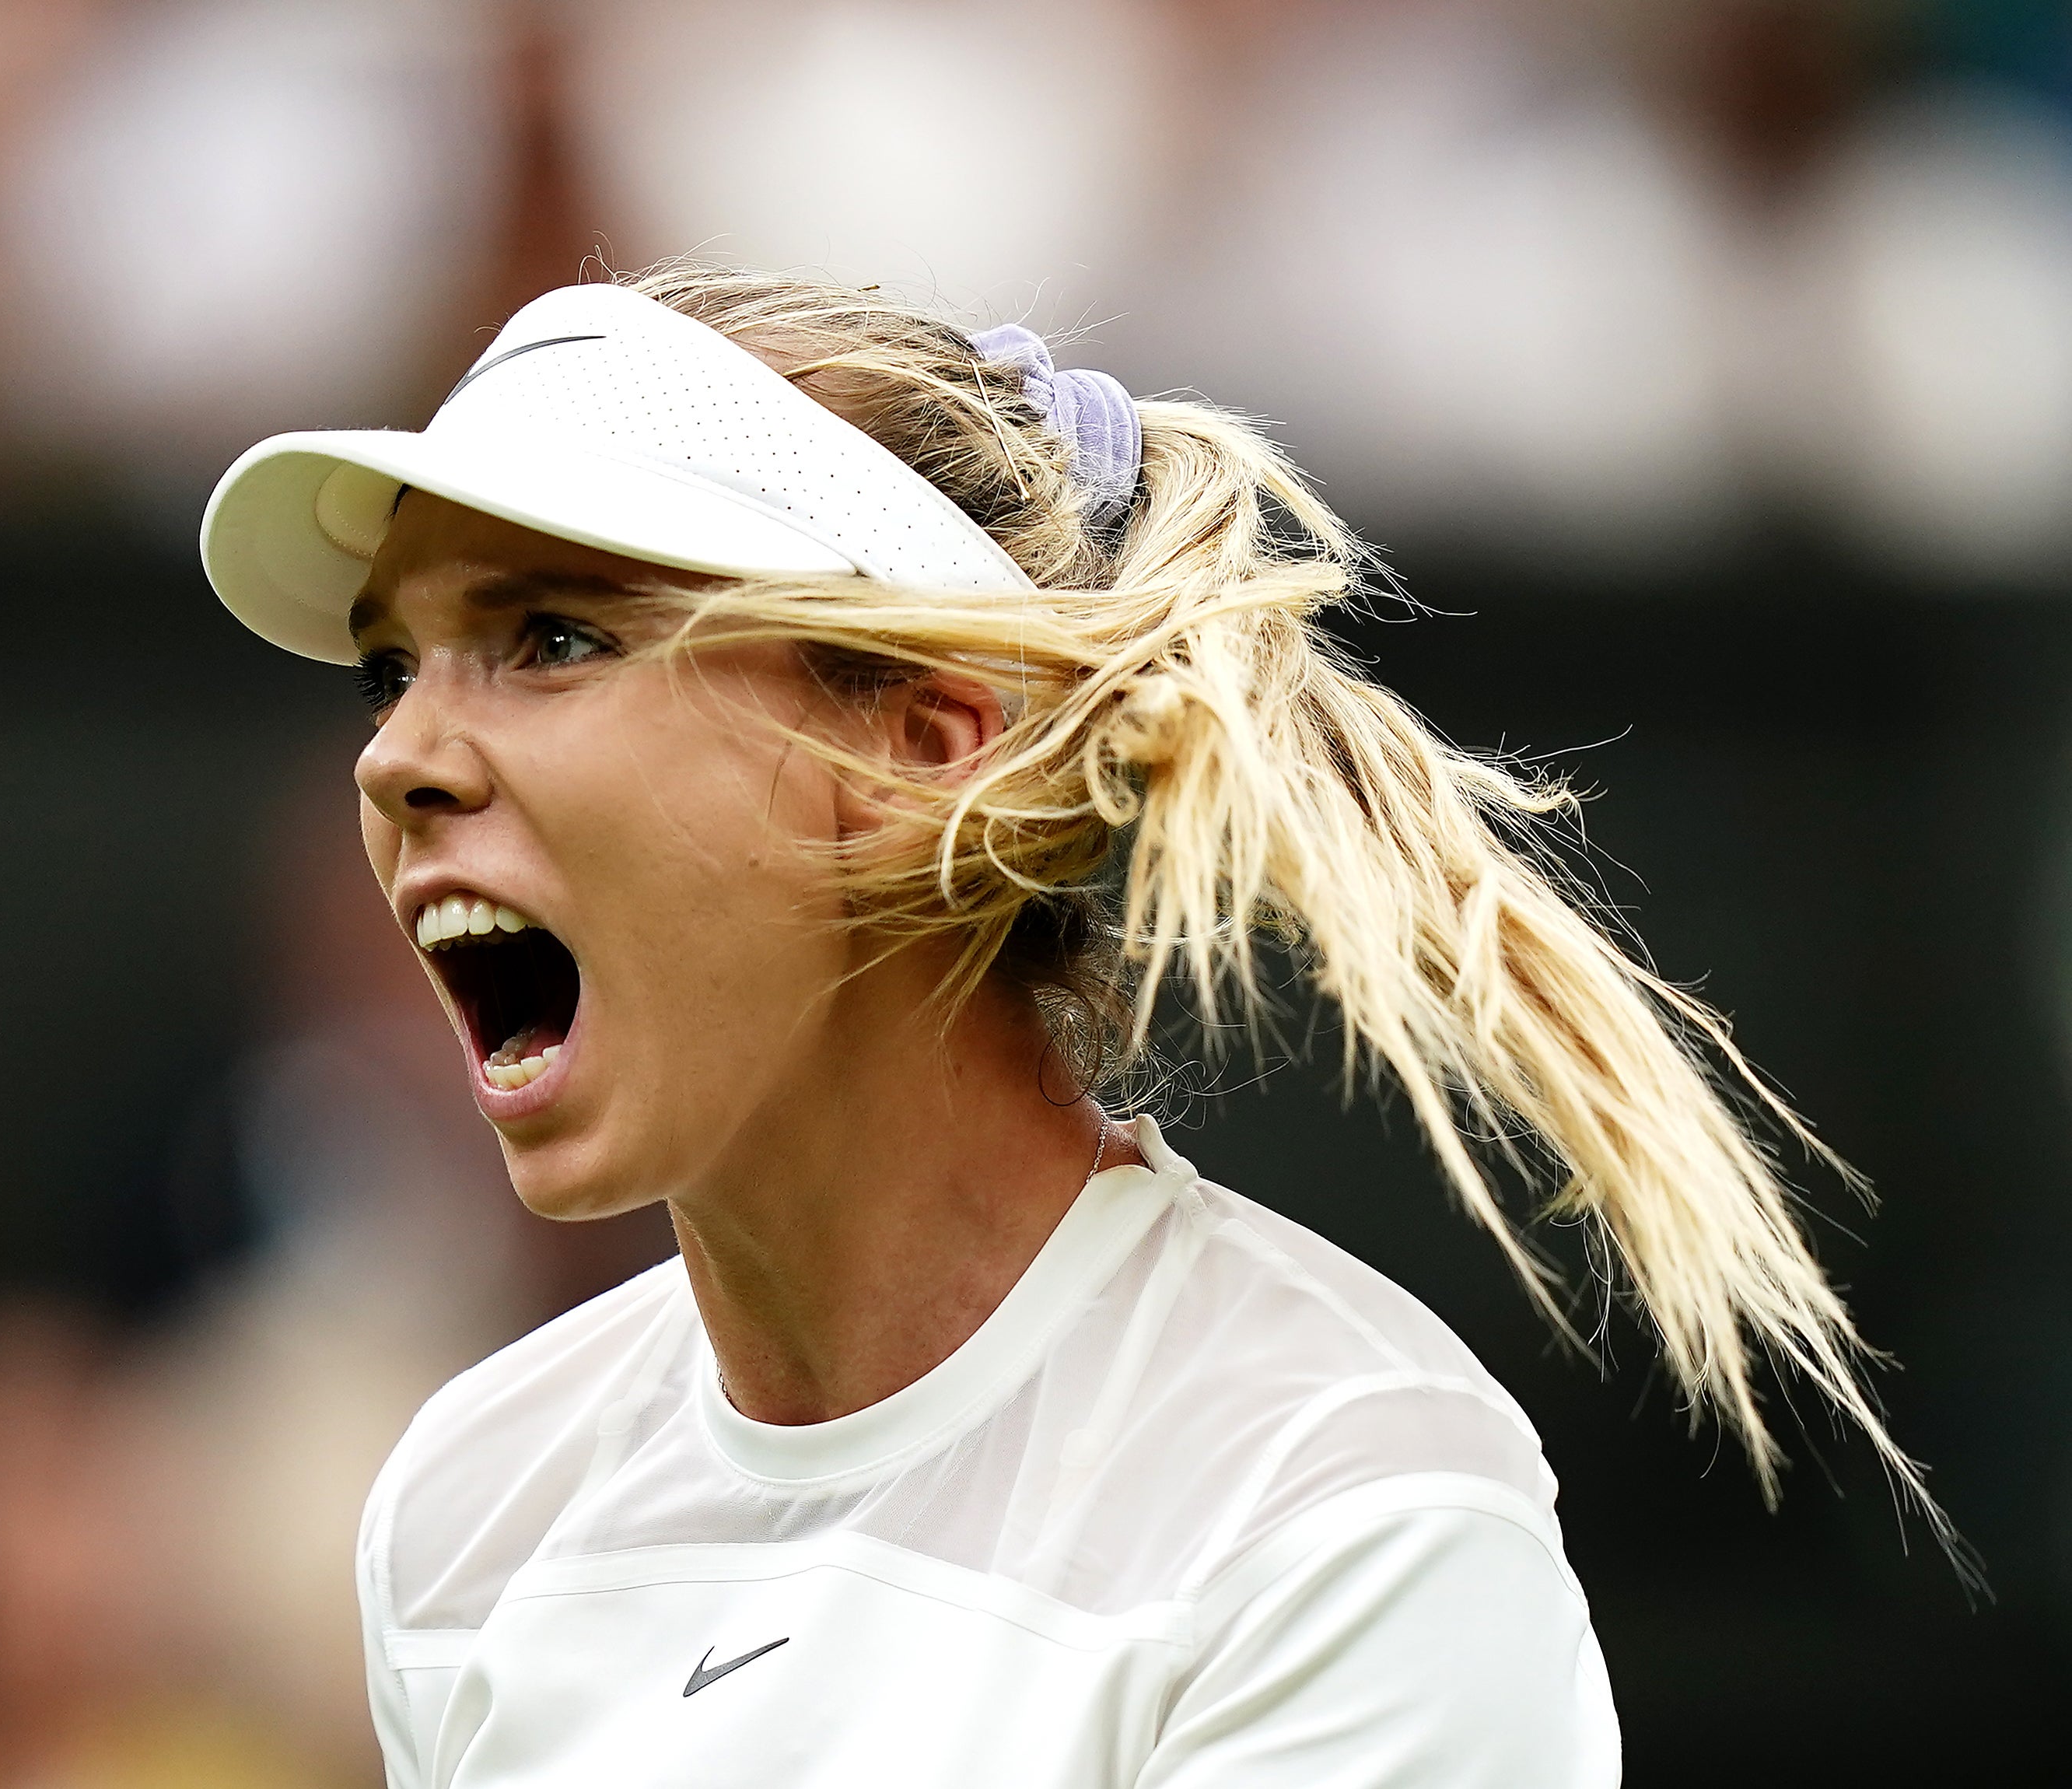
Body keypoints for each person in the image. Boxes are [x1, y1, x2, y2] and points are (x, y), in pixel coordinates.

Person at [194, 266, 1941, 1786]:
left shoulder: (1339, 1516)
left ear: (922, 749)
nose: (395, 754)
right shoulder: (464, 1512)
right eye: (390, 667)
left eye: (550, 636)